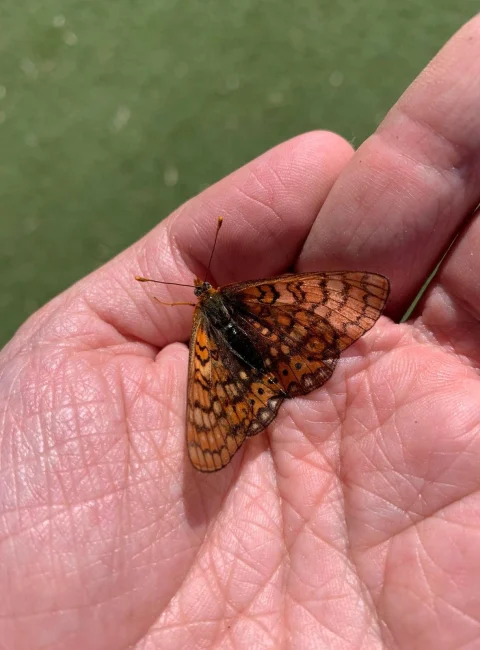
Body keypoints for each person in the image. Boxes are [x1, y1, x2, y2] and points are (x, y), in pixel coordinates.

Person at [1, 15, 480, 650]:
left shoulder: (206, 322)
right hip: (283, 334)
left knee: (276, 334)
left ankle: (266, 386)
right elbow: (334, 300)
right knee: (306, 308)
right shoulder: (240, 301)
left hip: (240, 360)